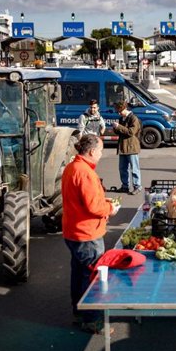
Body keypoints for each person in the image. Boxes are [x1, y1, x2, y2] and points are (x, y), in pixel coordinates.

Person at [62, 134, 121, 334]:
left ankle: (79, 312)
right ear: (92, 151)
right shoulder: (85, 172)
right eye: (101, 151)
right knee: (92, 275)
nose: (102, 154)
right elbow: (93, 206)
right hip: (87, 233)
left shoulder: (71, 167)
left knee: (78, 273)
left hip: (73, 230)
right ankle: (92, 320)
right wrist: (110, 208)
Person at [112, 101, 142, 195]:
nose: (119, 113)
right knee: (122, 168)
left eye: (120, 111)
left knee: (134, 168)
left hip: (132, 147)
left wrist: (119, 126)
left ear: (125, 109)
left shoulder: (133, 118)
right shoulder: (122, 118)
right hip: (123, 147)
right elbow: (121, 132)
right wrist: (115, 128)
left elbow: (131, 132)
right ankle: (125, 186)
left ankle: (137, 186)